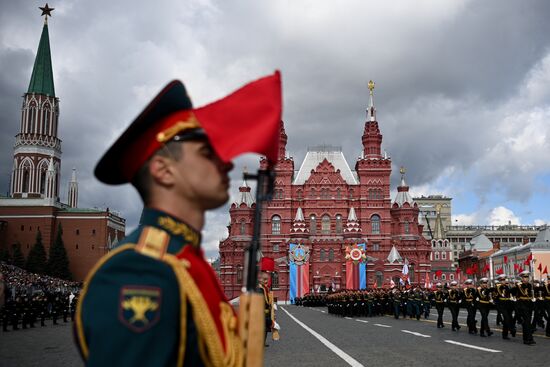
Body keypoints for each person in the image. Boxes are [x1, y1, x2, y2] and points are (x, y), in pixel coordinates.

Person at [74, 72, 281, 366]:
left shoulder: (188, 262)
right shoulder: (141, 271)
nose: (225, 161)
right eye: (206, 152)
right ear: (164, 170)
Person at [514, 270, 536, 345]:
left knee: (527, 322)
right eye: (524, 277)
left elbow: (532, 294)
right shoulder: (519, 285)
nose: (526, 279)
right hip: (522, 305)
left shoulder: (530, 285)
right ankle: (529, 339)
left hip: (529, 305)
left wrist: (533, 298)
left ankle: (525, 338)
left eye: (527, 277)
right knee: (527, 322)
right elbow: (512, 292)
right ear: (522, 278)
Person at [495, 274, 515, 340]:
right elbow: (500, 295)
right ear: (499, 281)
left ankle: (505, 334)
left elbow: (510, 294)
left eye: (504, 280)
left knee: (509, 319)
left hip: (508, 304)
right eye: (502, 280)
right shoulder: (498, 287)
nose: (503, 281)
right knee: (506, 318)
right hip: (502, 305)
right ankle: (511, 330)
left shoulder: (507, 286)